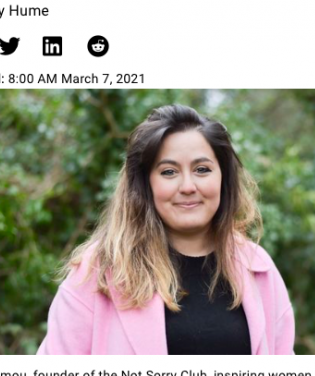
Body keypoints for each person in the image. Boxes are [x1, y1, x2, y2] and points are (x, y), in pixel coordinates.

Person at [37, 105, 295, 355]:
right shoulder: (97, 273)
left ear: (223, 178)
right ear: (146, 185)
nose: (187, 186)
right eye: (169, 172)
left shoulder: (258, 268)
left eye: (202, 170)